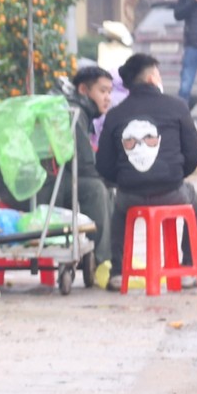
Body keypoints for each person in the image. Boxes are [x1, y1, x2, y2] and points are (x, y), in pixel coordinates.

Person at [95, 53, 197, 291]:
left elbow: (103, 164)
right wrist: (174, 175)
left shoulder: (115, 115)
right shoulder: (177, 107)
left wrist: (127, 179)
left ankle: (117, 272)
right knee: (196, 205)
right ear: (153, 76)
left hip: (129, 195)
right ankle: (187, 269)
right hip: (172, 191)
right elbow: (194, 154)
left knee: (119, 211)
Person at [65, 65, 116, 289]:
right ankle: (104, 261)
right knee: (97, 189)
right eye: (102, 91)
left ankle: (110, 256)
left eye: (109, 92)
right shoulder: (74, 114)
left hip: (64, 178)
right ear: (84, 90)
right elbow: (85, 165)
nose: (108, 98)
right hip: (49, 184)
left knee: (105, 187)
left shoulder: (81, 112)